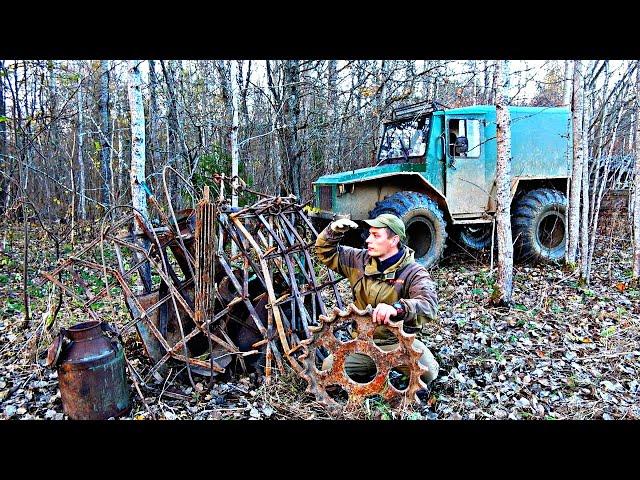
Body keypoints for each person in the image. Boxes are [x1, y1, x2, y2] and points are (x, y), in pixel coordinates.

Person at [314, 213, 440, 388]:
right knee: (330, 369)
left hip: (395, 343)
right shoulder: (358, 260)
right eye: (369, 234)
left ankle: (386, 366)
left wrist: (397, 309)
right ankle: (369, 369)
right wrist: (333, 231)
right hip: (362, 341)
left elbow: (429, 305)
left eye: (376, 235)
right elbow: (325, 252)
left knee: (428, 372)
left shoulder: (413, 272)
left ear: (394, 240)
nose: (368, 240)